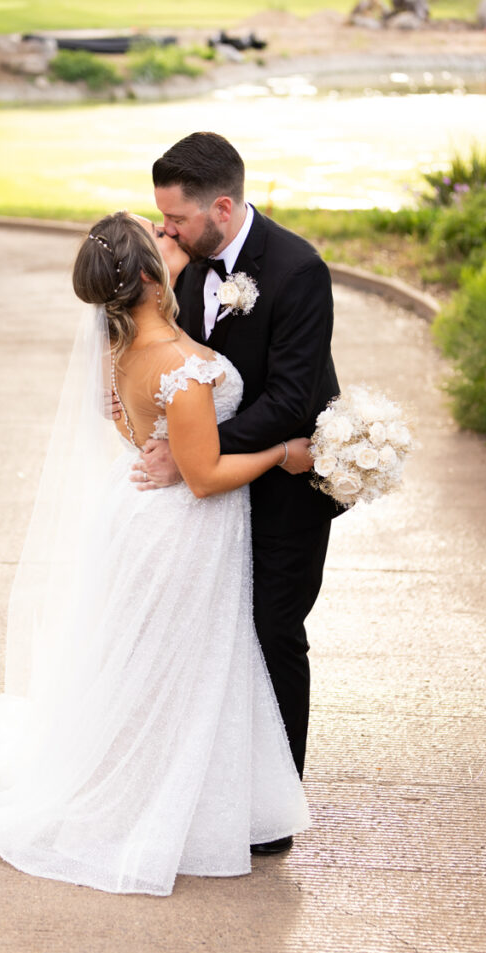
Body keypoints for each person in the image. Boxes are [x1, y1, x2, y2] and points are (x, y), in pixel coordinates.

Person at [0, 212, 315, 897]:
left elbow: (119, 412)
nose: (174, 243)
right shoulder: (178, 364)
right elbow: (203, 476)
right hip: (182, 526)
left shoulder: (120, 348)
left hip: (136, 513)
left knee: (143, 665)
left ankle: (157, 780)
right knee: (180, 667)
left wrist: (156, 286)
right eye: (162, 244)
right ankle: (160, 799)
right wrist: (284, 453)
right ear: (147, 277)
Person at [125, 133, 344, 856]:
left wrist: (197, 455)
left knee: (272, 630)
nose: (165, 232)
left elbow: (290, 398)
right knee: (215, 634)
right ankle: (209, 787)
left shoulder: (298, 270)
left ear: (222, 206)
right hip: (215, 491)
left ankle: (272, 811)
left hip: (286, 484)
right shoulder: (186, 266)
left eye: (176, 220)